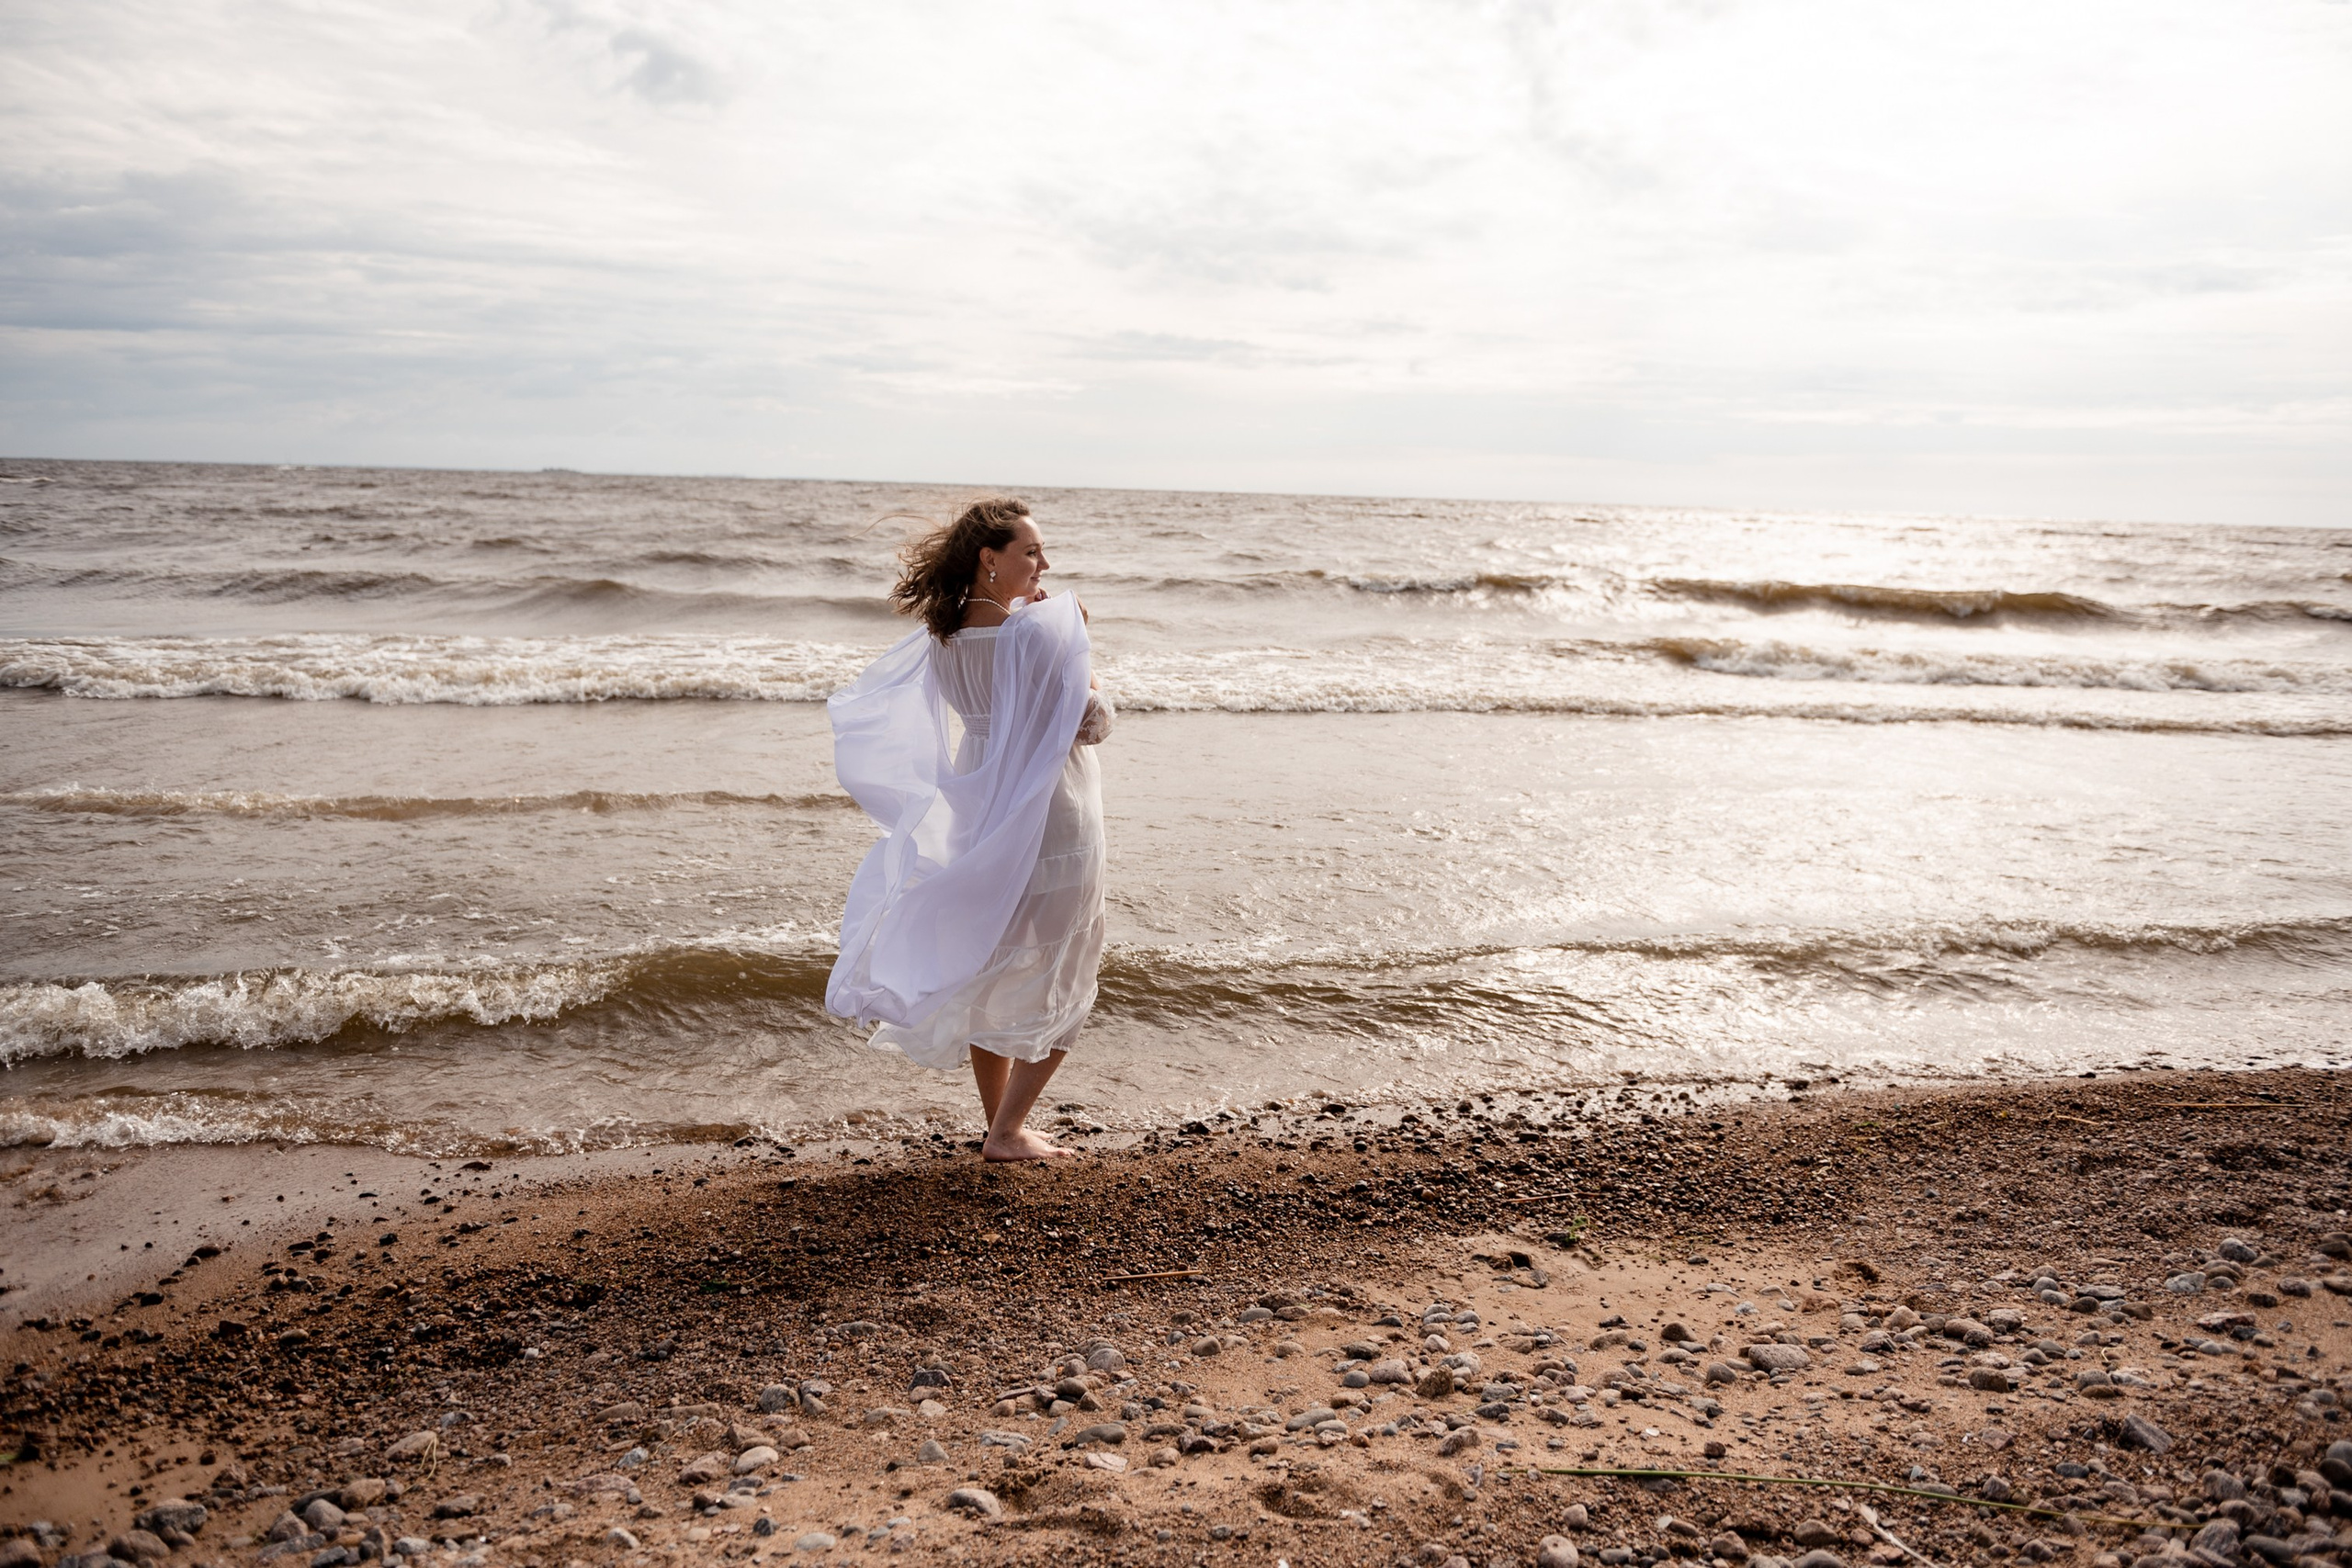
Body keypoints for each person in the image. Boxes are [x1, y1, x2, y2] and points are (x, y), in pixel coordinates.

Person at [825, 497, 1113, 1161]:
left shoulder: (945, 636)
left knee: (993, 961)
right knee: (1068, 962)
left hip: (981, 806)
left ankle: (998, 1126)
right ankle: (1008, 1131)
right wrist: (1080, 643)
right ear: (990, 558)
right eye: (1031, 552)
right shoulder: (1037, 634)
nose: (1045, 564)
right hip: (1052, 810)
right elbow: (1093, 724)